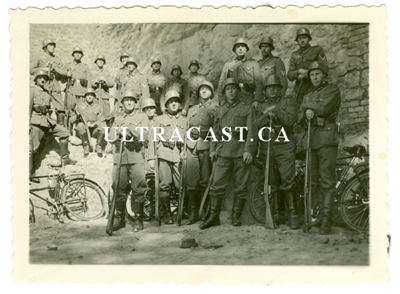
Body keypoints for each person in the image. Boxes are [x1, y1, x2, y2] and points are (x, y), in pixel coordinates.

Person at [199, 78, 257, 229]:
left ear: (238, 90)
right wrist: (212, 149)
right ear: (224, 92)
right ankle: (213, 216)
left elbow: (252, 131)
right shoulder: (220, 110)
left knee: (241, 186)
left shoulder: (247, 108)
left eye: (233, 88)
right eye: (228, 89)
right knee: (216, 185)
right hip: (223, 152)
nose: (231, 91)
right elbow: (215, 132)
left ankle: (236, 216)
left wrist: (249, 150)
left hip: (240, 151)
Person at [297, 61, 341, 235]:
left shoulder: (332, 90)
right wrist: (305, 113)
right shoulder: (308, 94)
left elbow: (324, 107)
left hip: (327, 139)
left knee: (327, 181)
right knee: (312, 181)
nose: (314, 77)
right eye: (312, 74)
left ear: (324, 75)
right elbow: (299, 117)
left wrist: (307, 108)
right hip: (311, 140)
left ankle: (327, 221)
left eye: (318, 74)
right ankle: (315, 217)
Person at [254, 74, 299, 229]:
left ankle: (292, 213)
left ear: (280, 88)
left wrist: (276, 110)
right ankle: (278, 213)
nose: (272, 90)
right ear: (265, 91)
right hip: (268, 147)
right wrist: (268, 115)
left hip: (284, 145)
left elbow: (290, 121)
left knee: (287, 179)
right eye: (269, 88)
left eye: (275, 87)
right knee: (273, 182)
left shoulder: (289, 101)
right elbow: (257, 124)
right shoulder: (260, 106)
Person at [108, 90, 148, 233]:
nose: (129, 102)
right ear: (122, 103)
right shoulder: (118, 118)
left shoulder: (142, 117)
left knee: (139, 188)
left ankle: (138, 219)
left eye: (131, 100)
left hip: (136, 156)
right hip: (120, 158)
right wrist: (117, 132)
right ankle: (120, 219)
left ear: (135, 102)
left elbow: (144, 134)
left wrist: (129, 129)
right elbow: (111, 138)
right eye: (126, 100)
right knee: (118, 187)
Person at [29, 69, 77, 182]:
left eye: (45, 78)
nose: (43, 80)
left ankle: (65, 158)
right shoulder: (31, 90)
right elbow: (28, 107)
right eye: (40, 78)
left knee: (64, 133)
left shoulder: (46, 91)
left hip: (47, 121)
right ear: (36, 79)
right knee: (32, 149)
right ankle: (30, 172)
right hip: (36, 122)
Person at [148, 90, 187, 224]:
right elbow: (152, 139)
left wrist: (184, 151)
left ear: (180, 104)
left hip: (178, 154)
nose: (174, 104)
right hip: (163, 154)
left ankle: (182, 211)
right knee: (164, 185)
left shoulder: (184, 120)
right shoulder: (159, 120)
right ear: (166, 104)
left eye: (176, 101)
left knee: (180, 184)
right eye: (171, 102)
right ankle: (167, 213)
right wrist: (151, 159)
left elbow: (187, 138)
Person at [184, 80, 218, 225]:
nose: (204, 91)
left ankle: (204, 210)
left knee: (205, 180)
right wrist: (184, 149)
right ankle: (193, 211)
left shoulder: (216, 108)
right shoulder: (192, 109)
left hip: (206, 145)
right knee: (191, 180)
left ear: (211, 92)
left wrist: (214, 148)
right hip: (191, 146)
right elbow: (186, 129)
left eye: (207, 89)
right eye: (201, 89)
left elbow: (217, 129)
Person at [217, 37, 263, 111]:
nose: (240, 48)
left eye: (242, 46)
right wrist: (221, 100)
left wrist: (256, 100)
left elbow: (259, 83)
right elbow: (221, 83)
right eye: (238, 47)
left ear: (246, 49)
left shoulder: (253, 63)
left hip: (249, 100)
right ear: (234, 50)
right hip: (232, 101)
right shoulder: (228, 65)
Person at [288, 27, 328, 105]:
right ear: (297, 40)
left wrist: (308, 73)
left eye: (304, 38)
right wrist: (298, 72)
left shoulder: (317, 50)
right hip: (300, 90)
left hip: (314, 88)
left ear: (309, 39)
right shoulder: (294, 55)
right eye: (300, 38)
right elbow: (290, 75)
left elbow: (325, 68)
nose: (302, 40)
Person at [75, 88, 106, 158]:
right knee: (80, 125)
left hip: (94, 130)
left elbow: (101, 120)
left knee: (104, 126)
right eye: (88, 95)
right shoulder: (79, 106)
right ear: (85, 96)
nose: (89, 97)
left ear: (94, 97)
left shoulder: (98, 107)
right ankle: (86, 146)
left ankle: (98, 145)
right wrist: (77, 115)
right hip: (84, 130)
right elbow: (72, 120)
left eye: (91, 95)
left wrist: (93, 124)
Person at [91, 55, 114, 125]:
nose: (101, 62)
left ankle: (108, 132)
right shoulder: (92, 72)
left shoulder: (106, 73)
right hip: (95, 97)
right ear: (96, 62)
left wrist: (105, 80)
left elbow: (111, 84)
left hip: (104, 97)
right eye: (99, 60)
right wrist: (96, 80)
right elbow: (90, 82)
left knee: (107, 115)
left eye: (102, 60)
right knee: (94, 115)